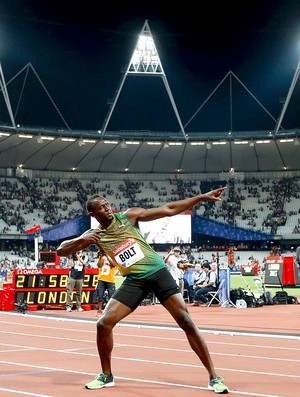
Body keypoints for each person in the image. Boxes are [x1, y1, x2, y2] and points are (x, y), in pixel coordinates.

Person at [56, 186, 229, 394]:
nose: (108, 208)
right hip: (134, 280)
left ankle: (214, 377)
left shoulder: (128, 216)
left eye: (107, 204)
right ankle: (106, 375)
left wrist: (201, 197)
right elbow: (61, 250)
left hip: (157, 272)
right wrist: (81, 241)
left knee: (186, 321)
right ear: (92, 214)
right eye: (102, 208)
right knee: (103, 324)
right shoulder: (94, 234)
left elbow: (169, 209)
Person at [95, 251, 116, 316]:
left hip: (110, 279)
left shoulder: (112, 256)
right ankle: (99, 310)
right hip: (101, 278)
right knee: (100, 295)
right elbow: (99, 265)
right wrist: (100, 257)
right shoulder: (101, 257)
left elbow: (113, 265)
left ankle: (110, 311)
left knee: (111, 296)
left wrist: (107, 256)